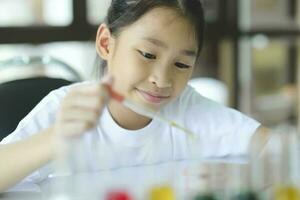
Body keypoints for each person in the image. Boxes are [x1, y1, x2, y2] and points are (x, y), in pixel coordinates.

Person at [0, 0, 269, 192]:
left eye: (182, 65)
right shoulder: (64, 108)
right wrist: (56, 137)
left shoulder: (187, 107)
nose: (161, 80)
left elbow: (274, 148)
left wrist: (241, 175)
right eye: (148, 55)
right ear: (106, 43)